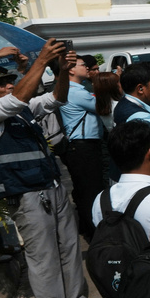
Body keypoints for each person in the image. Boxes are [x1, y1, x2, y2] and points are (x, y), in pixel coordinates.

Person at [0, 40, 101, 298]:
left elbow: (56, 98)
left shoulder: (21, 109)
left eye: (8, 82)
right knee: (43, 254)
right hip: (25, 192)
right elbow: (16, 98)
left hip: (49, 184)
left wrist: (63, 71)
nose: (7, 86)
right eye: (0, 85)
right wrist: (41, 60)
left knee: (67, 244)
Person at [55, 54, 106, 240]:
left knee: (85, 189)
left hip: (82, 146)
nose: (87, 68)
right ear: (70, 69)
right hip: (83, 146)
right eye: (83, 65)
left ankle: (88, 228)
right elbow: (104, 107)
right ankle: (96, 234)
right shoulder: (74, 91)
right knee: (90, 191)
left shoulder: (75, 89)